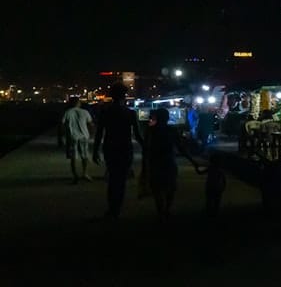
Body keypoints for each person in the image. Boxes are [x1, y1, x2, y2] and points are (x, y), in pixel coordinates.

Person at [93, 83, 145, 219]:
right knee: (121, 180)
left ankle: (112, 208)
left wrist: (95, 150)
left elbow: (99, 133)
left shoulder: (105, 112)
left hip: (110, 147)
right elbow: (138, 135)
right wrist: (147, 148)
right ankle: (117, 208)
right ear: (124, 96)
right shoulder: (130, 113)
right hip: (125, 147)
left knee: (112, 178)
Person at [142, 107, 202, 220]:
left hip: (155, 162)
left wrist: (144, 166)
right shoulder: (171, 130)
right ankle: (166, 210)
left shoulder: (150, 130)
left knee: (157, 188)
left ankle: (161, 211)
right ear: (167, 118)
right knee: (170, 187)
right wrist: (193, 161)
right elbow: (181, 148)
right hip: (168, 161)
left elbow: (145, 149)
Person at [58, 96, 94, 184]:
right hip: (84, 136)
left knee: (73, 157)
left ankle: (75, 175)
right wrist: (91, 134)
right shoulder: (85, 112)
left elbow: (61, 125)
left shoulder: (67, 112)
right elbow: (90, 124)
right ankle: (85, 173)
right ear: (78, 103)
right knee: (85, 156)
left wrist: (60, 137)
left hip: (72, 137)